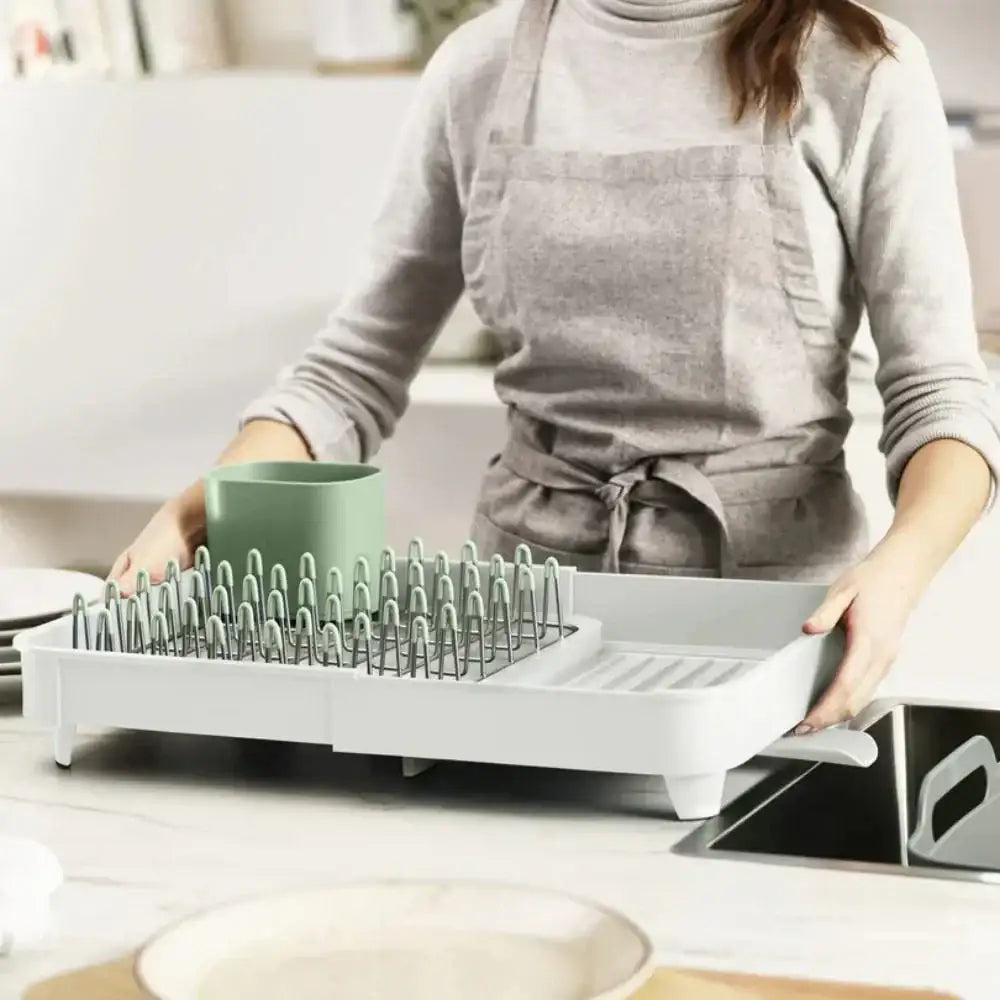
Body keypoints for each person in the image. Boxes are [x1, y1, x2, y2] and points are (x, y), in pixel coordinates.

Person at [112, 0, 1000, 734]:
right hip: (513, 625)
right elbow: (351, 370)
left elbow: (941, 395)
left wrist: (900, 568)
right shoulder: (481, 66)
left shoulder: (860, 68)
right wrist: (210, 499)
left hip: (773, 639)